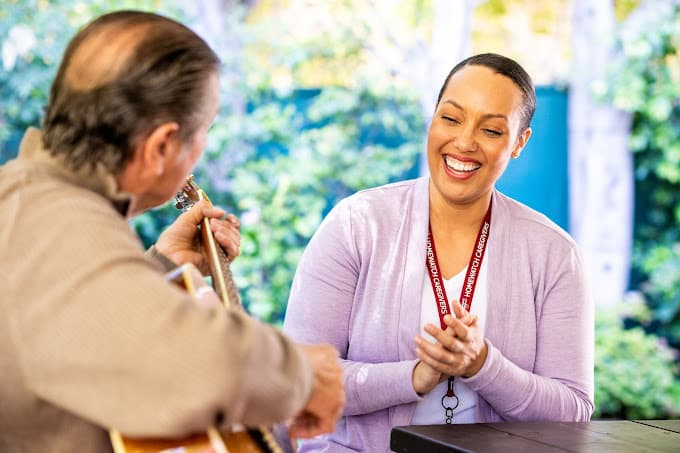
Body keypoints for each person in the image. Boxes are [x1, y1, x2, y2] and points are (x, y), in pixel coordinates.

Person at [0, 10, 344, 453]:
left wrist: (159, 265)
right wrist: (302, 374)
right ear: (161, 146)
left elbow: (59, 323)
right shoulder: (57, 221)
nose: (201, 150)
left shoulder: (24, 194)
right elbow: (184, 363)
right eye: (205, 133)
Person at [283, 53, 594, 452]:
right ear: (432, 118)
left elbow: (572, 411)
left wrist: (482, 365)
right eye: (451, 119)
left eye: (492, 131)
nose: (464, 142)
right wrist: (412, 376)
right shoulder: (357, 224)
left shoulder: (555, 254)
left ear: (519, 142)